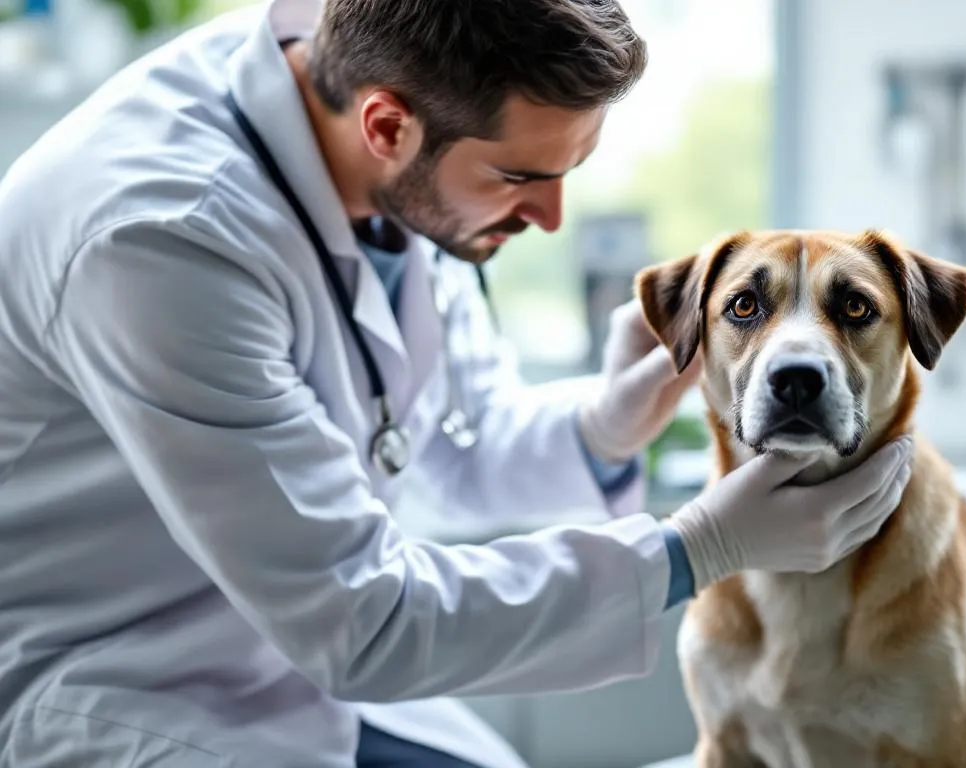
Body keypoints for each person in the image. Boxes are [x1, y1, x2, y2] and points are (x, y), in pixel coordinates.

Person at [0, 0, 916, 765]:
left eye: (570, 173)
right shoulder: (164, 239)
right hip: (111, 689)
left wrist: (600, 427)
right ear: (388, 126)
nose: (551, 219)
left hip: (285, 664)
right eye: (521, 177)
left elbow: (447, 441)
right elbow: (365, 622)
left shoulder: (381, 127)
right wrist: (691, 553)